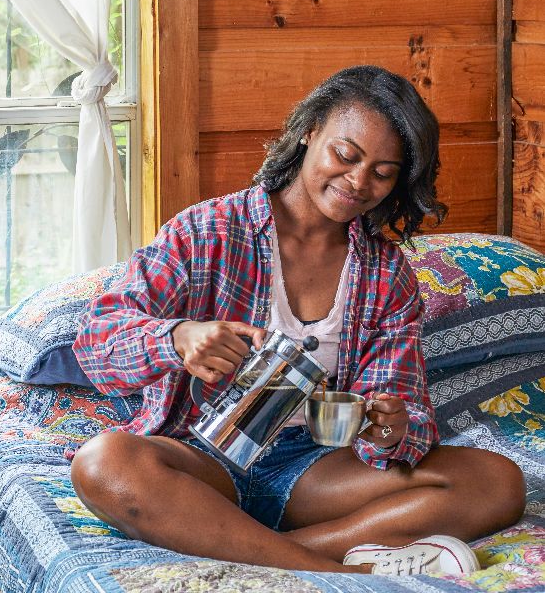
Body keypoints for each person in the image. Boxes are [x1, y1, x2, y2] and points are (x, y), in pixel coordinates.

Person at [70, 66, 526, 576]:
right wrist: (177, 337)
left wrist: (392, 427)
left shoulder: (385, 272)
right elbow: (97, 340)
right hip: (204, 459)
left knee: (497, 481)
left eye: (382, 172)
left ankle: (251, 546)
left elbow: (400, 405)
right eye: (346, 155)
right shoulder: (208, 231)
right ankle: (345, 571)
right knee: (103, 463)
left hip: (316, 471)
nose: (357, 181)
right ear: (309, 132)